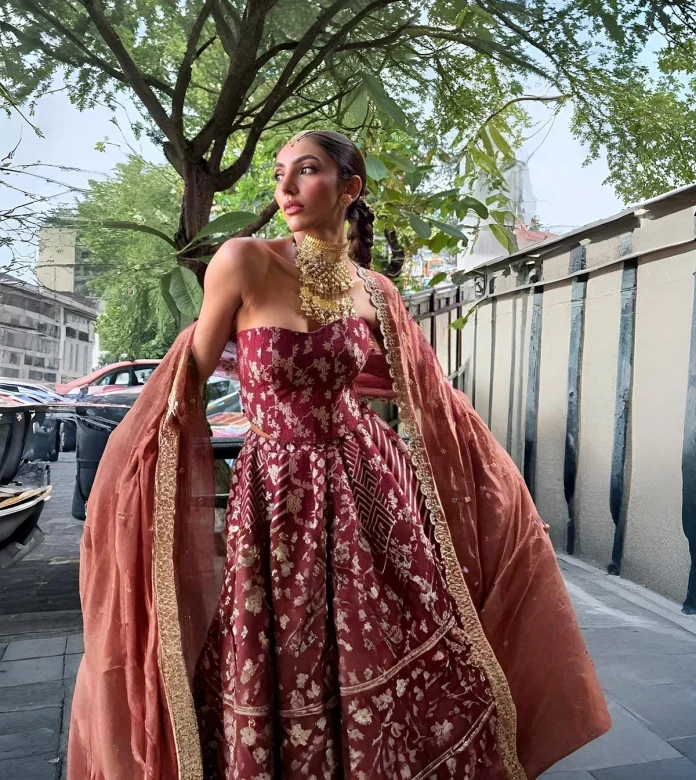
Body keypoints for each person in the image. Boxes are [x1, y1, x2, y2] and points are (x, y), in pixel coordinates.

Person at [68, 130, 610, 780]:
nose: (286, 187)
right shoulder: (245, 261)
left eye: (307, 171)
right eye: (280, 174)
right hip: (277, 497)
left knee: (382, 642)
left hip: (368, 494)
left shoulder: (373, 291)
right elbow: (184, 384)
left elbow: (431, 397)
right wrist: (138, 480)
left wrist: (499, 494)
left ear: (349, 187)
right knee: (286, 651)